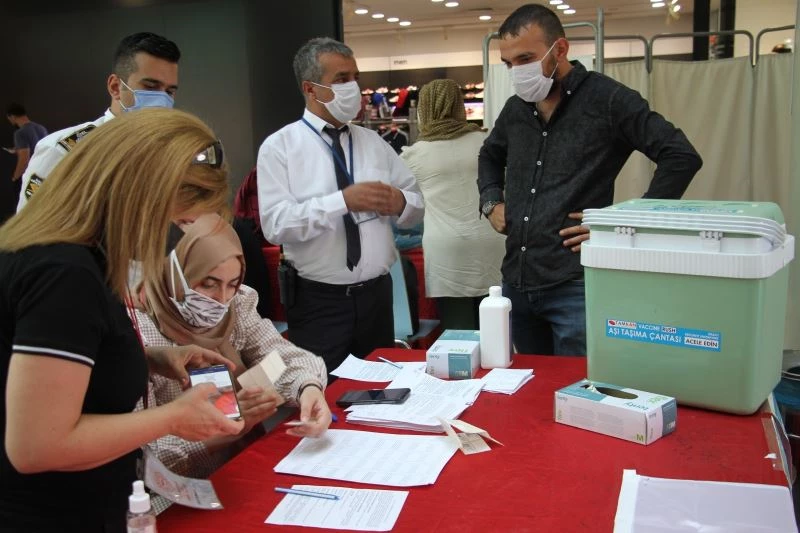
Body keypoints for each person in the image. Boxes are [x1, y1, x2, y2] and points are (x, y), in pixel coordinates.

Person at [0, 108, 243, 532]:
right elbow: (36, 447)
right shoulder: (65, 273)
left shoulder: (65, 256)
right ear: (138, 199)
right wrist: (173, 418)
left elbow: (55, 365)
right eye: (172, 219)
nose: (167, 236)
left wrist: (150, 358)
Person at [478, 4, 702, 356]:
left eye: (526, 59)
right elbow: (490, 155)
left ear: (560, 49)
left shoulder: (608, 100)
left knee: (580, 384)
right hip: (518, 281)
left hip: (575, 285)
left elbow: (681, 156)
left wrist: (627, 222)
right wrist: (491, 201)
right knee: (534, 383)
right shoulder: (515, 109)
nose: (517, 71)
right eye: (508, 63)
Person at [257, 37, 424, 373]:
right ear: (310, 88)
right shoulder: (280, 148)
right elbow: (276, 225)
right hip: (318, 302)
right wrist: (341, 202)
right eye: (342, 79)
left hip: (377, 297)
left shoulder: (374, 143)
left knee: (380, 388)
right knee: (324, 391)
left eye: (355, 77)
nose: (354, 88)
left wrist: (401, 201)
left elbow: (416, 206)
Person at [135, 213, 330, 480]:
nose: (221, 300)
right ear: (175, 273)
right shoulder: (140, 333)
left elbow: (280, 357)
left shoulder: (236, 306)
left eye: (233, 285)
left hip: (244, 463)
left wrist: (307, 388)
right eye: (208, 284)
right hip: (181, 487)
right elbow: (144, 456)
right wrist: (224, 428)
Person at [16, 31, 179, 210]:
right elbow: (30, 225)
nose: (162, 99)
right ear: (115, 87)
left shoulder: (170, 152)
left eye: (169, 91)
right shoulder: (64, 151)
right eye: (150, 86)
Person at [402, 79, 505, 331]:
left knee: (459, 337)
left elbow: (405, 208)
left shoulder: (413, 155)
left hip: (447, 252)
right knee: (499, 329)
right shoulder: (488, 142)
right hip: (495, 241)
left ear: (424, 109)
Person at [5, 103, 48, 203]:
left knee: (23, 206)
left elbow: (24, 159)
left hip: (29, 177)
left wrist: (15, 177)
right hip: (44, 173)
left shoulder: (20, 133)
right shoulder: (41, 128)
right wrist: (17, 150)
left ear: (12, 117)